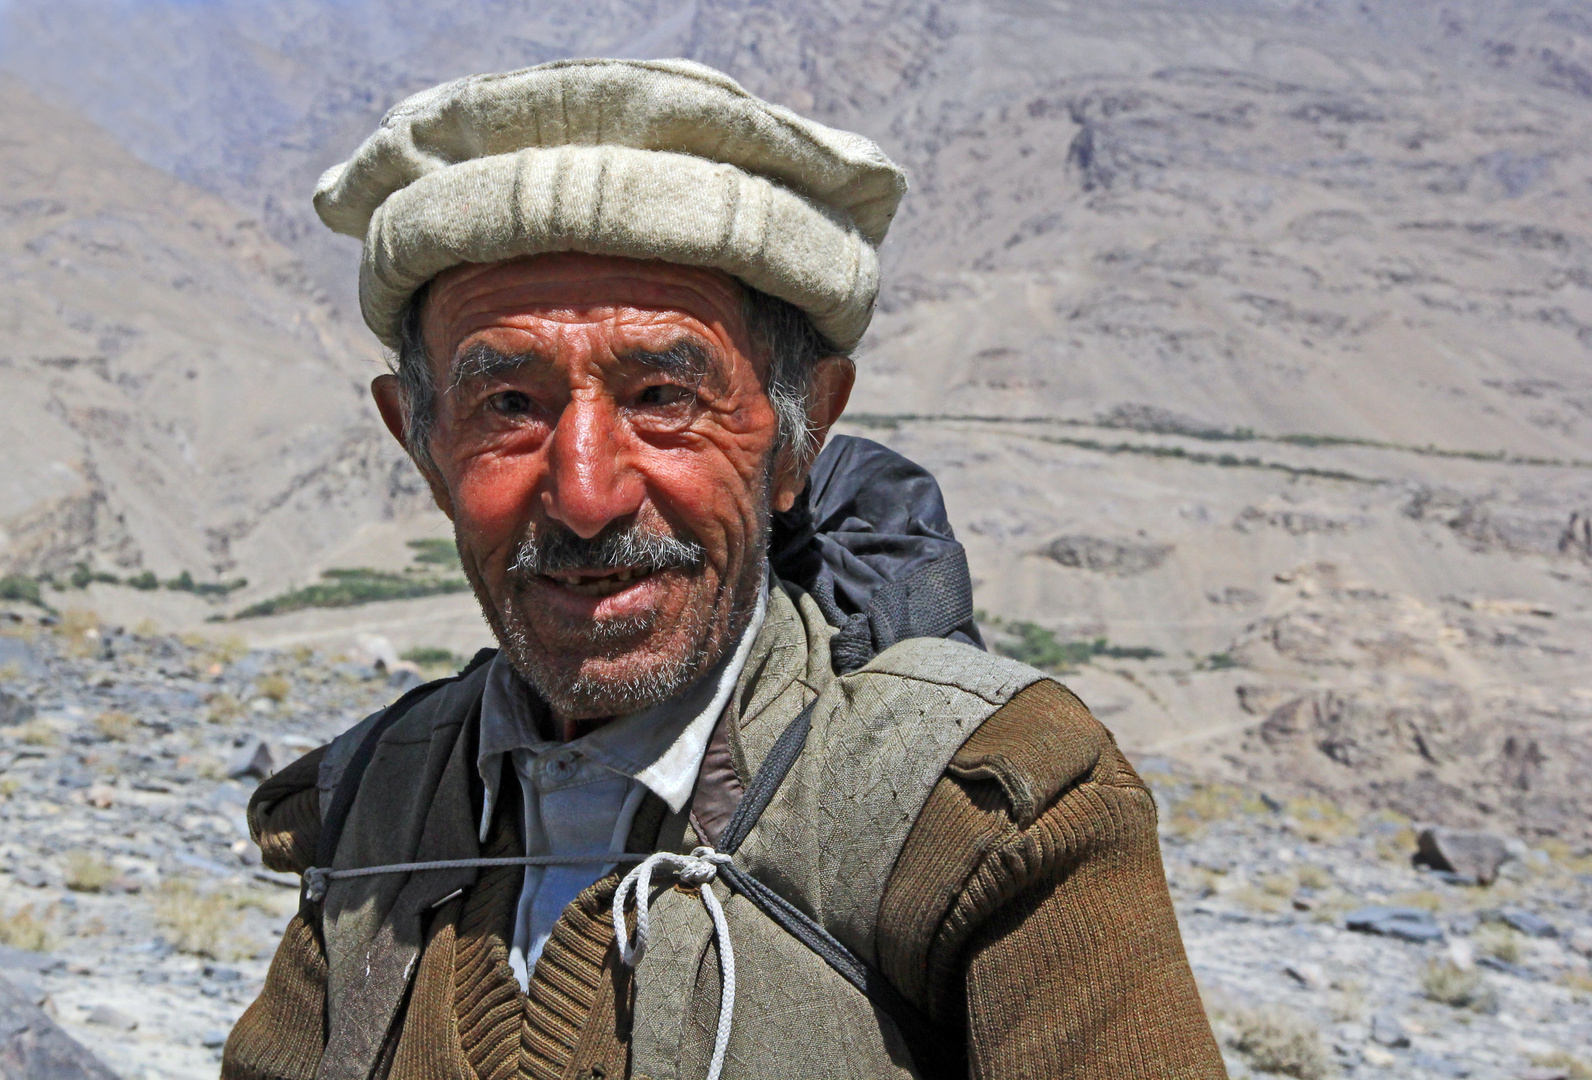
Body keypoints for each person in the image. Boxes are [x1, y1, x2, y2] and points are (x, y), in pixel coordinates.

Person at [223, 58, 1225, 1080]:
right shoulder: (375, 803)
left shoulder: (996, 813)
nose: (584, 496)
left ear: (801, 434)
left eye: (663, 396)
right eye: (509, 406)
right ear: (420, 444)